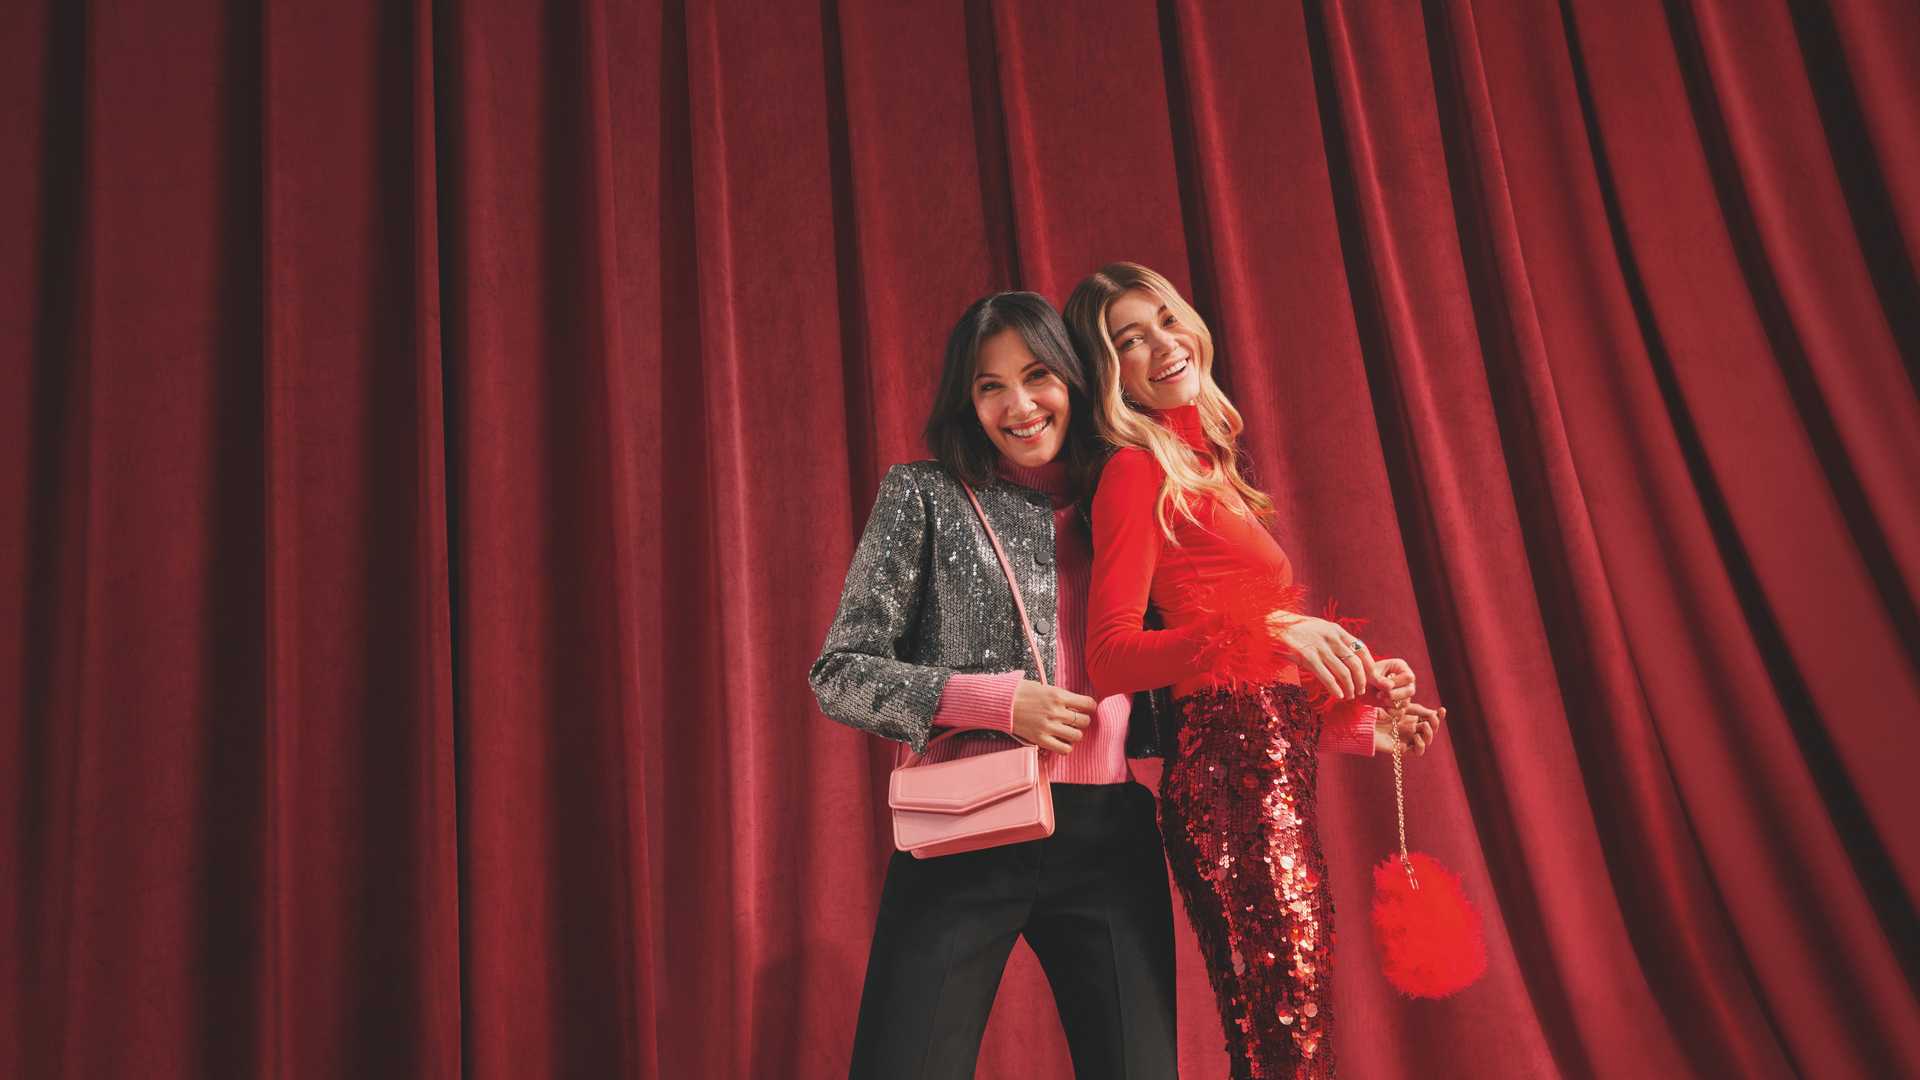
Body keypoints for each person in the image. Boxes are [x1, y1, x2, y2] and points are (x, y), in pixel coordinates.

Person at [1066, 262, 1445, 1079]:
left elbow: (1247, 680)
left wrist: (1363, 722)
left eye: (1166, 319)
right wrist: (1272, 626)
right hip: (1228, 790)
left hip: (1266, 771)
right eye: (1130, 341)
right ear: (1110, 376)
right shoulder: (1136, 471)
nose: (1163, 345)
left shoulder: (1209, 472)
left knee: (1291, 1037)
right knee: (1286, 1040)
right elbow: (1110, 658)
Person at [810, 291, 1179, 1079]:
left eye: (1038, 375)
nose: (1019, 405)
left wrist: (1348, 721)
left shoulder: (1133, 493)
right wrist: (997, 702)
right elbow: (840, 674)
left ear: (1076, 379)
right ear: (967, 400)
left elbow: (1209, 653)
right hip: (964, 826)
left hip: (1108, 838)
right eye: (990, 386)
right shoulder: (926, 494)